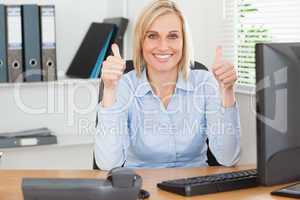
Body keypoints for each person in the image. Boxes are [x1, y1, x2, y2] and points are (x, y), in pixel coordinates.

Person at [95, 0, 240, 170]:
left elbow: (229, 158)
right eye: (152, 36)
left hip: (194, 187)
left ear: (183, 41)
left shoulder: (204, 82)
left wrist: (227, 92)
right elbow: (108, 164)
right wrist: (110, 90)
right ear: (141, 42)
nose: (163, 46)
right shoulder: (126, 85)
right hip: (143, 186)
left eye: (172, 36)